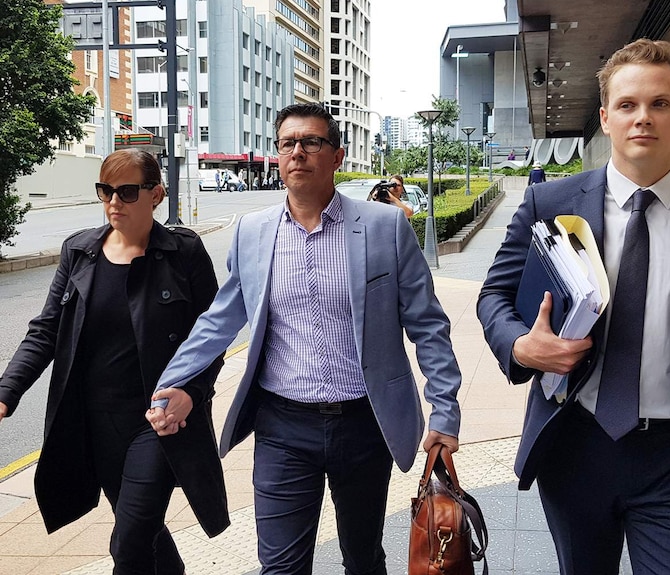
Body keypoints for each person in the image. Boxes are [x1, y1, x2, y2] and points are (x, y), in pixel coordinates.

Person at [477, 39, 670, 575]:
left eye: (660, 104)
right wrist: (522, 346)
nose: (644, 118)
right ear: (606, 118)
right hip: (576, 446)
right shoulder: (549, 204)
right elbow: (493, 297)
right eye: (628, 105)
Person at [147, 103, 462, 574]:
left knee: (362, 557)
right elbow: (220, 318)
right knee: (279, 566)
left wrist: (446, 410)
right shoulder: (252, 232)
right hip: (282, 427)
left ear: (336, 155)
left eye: (312, 142)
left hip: (364, 423)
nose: (298, 152)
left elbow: (427, 324)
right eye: (288, 143)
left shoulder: (384, 227)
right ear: (278, 155)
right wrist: (173, 380)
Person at [0, 149, 229, 574]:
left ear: (156, 194)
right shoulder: (80, 252)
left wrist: (192, 393)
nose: (113, 203)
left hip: (157, 420)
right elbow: (46, 329)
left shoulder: (184, 252)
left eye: (126, 192)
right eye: (105, 191)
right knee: (145, 532)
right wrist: (6, 392)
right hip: (95, 422)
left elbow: (210, 337)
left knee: (129, 540)